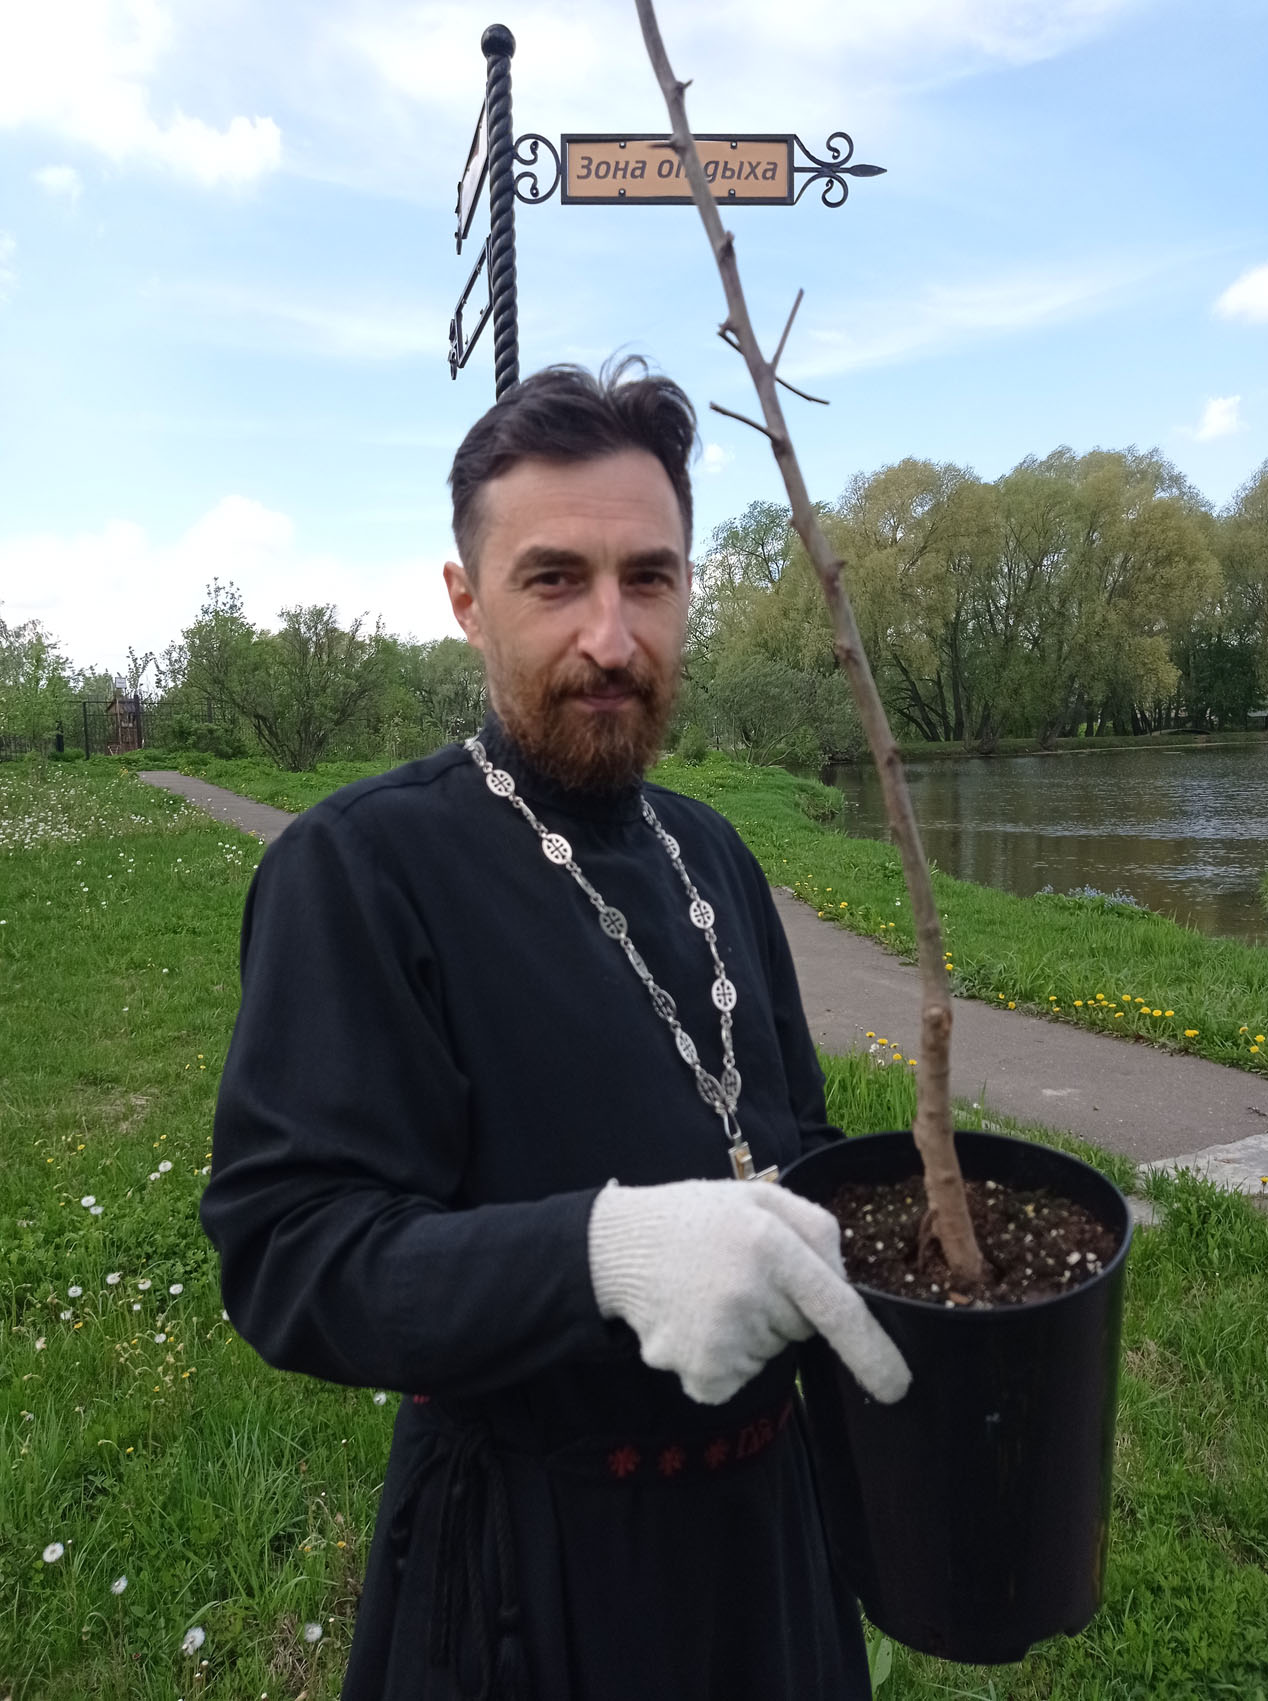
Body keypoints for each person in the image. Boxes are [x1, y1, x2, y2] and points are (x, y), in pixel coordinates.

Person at [200, 359, 909, 1701]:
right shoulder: (362, 867)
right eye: (554, 581)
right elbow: (291, 1250)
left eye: (649, 579)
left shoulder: (717, 852)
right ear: (467, 602)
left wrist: (917, 1238)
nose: (612, 637)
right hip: (526, 1577)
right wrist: (605, 1255)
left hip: (770, 1548)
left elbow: (795, 1140)